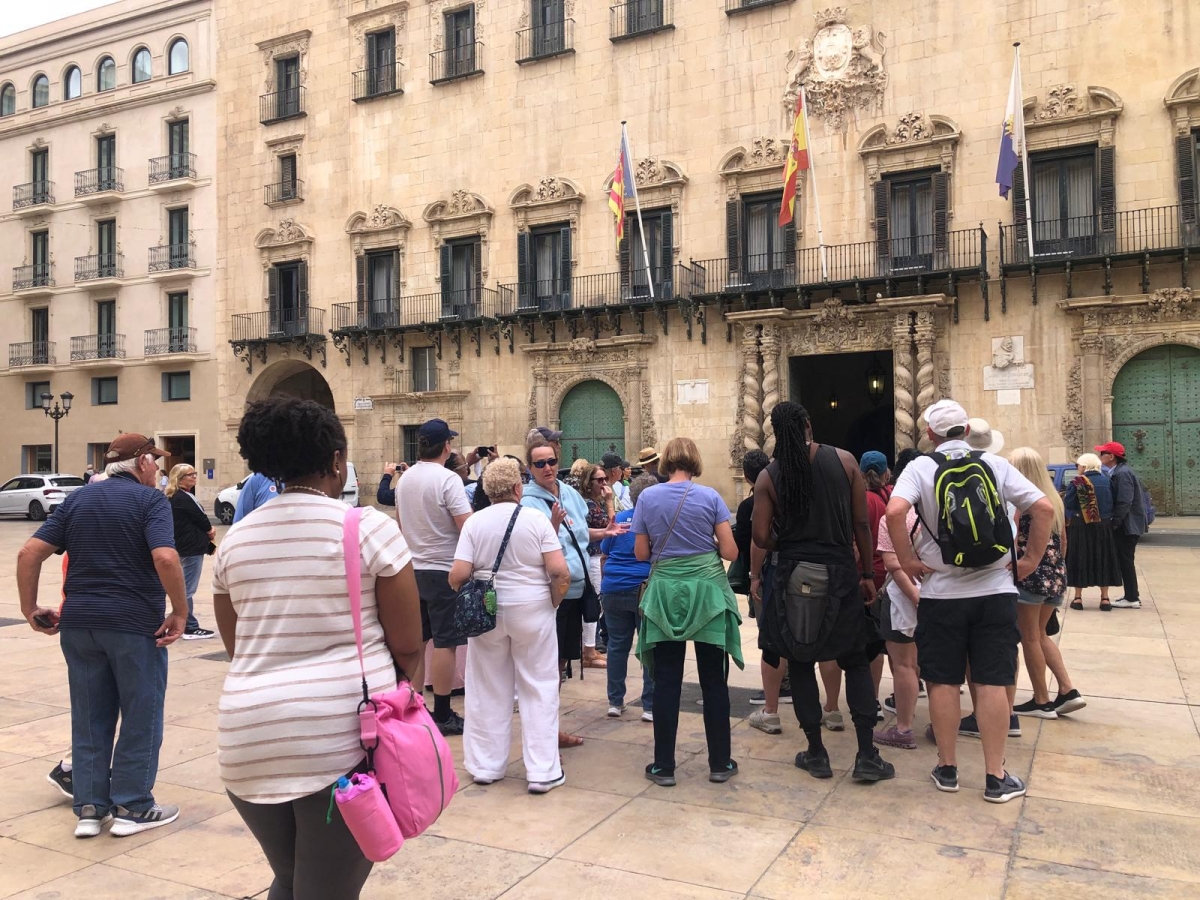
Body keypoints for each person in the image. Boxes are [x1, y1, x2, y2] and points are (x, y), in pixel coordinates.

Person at [212, 397, 422, 900]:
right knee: (327, 891)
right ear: (335, 460)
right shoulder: (366, 528)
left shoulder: (236, 540)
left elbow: (236, 644)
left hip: (248, 737)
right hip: (337, 740)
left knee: (292, 880)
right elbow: (409, 642)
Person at [17, 432, 188, 838]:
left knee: (90, 714)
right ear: (142, 462)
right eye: (157, 463)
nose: (160, 472)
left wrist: (29, 608)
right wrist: (180, 611)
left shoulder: (76, 499)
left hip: (78, 624)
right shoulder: (150, 502)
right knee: (140, 713)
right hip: (132, 623)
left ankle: (91, 808)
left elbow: (29, 553)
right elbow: (164, 556)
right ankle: (133, 805)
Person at [887, 399, 1053, 803]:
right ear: (966, 430)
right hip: (995, 590)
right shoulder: (994, 465)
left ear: (930, 434)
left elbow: (895, 511)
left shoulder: (921, 467)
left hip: (942, 594)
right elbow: (1044, 507)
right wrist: (1029, 559)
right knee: (993, 681)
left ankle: (947, 768)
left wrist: (908, 559)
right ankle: (995, 776)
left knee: (943, 681)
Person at [751, 402, 894, 785]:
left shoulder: (769, 475)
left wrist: (790, 541)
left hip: (794, 575)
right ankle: (867, 754)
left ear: (777, 434)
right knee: (855, 660)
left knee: (800, 662)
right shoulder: (845, 462)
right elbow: (862, 523)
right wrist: (867, 573)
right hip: (842, 573)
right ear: (809, 425)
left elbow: (761, 536)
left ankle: (816, 752)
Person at [449, 458, 571, 793]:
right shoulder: (535, 520)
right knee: (539, 687)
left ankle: (486, 765)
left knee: (487, 686)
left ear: (486, 490)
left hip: (489, 611)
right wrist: (552, 601)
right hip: (533, 608)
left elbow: (458, 575)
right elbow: (560, 572)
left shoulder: (474, 524)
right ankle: (543, 771)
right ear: (518, 487)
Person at [635, 438, 743, 787]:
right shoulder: (710, 497)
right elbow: (730, 551)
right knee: (714, 679)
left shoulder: (647, 497)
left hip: (666, 591)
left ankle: (664, 766)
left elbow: (640, 553)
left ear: (665, 462)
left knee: (666, 678)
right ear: (695, 461)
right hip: (708, 592)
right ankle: (720, 763)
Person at [521, 439, 624, 748]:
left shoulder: (569, 495)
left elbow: (580, 532)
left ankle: (550, 730)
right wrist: (551, 526)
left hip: (576, 590)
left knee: (562, 662)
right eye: (539, 464)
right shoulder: (527, 503)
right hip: (552, 594)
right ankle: (542, 737)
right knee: (546, 666)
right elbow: (531, 548)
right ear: (530, 469)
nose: (547, 467)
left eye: (551, 461)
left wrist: (604, 533)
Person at [395, 418, 473, 735]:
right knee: (446, 643)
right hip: (443, 569)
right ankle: (442, 712)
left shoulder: (405, 480)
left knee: (419, 641)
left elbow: (401, 524)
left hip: (413, 569)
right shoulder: (448, 480)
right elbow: (466, 526)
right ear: (446, 446)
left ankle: (415, 708)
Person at [1008, 447, 1086, 720]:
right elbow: (1063, 540)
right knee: (1041, 635)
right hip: (1055, 575)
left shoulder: (1023, 502)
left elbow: (1014, 541)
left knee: (1029, 637)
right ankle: (1067, 689)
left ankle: (1041, 700)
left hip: (1030, 576)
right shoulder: (1054, 499)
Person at [873, 448, 923, 750]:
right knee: (923, 663)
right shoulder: (940, 509)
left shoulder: (896, 514)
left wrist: (916, 597)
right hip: (939, 592)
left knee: (903, 664)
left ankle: (903, 728)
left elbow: (893, 564)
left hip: (905, 597)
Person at [601, 473, 659, 721]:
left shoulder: (620, 519)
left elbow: (604, 554)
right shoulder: (655, 521)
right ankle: (649, 706)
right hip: (643, 588)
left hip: (613, 587)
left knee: (616, 645)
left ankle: (615, 702)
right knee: (649, 647)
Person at [1064, 453, 1121, 612]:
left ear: (1084, 466)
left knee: (1080, 558)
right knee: (1103, 559)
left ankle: (1078, 598)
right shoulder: (1107, 481)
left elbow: (1068, 503)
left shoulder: (1076, 482)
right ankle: (1104, 598)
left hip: (1081, 525)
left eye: (1079, 466)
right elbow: (1114, 501)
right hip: (1103, 526)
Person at [165, 463, 216, 640]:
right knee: (187, 588)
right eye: (189, 475)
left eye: (194, 473)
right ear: (179, 479)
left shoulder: (175, 497)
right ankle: (189, 626)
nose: (194, 477)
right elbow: (201, 518)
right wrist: (210, 531)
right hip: (191, 548)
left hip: (183, 546)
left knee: (184, 586)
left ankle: (182, 621)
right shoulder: (182, 498)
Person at [1098, 441, 1148, 609]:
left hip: (1128, 526)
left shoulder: (1122, 474)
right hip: (1128, 525)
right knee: (1126, 561)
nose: (1100, 457)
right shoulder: (1119, 472)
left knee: (1126, 561)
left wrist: (1114, 523)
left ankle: (1132, 597)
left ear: (1111, 456)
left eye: (1102, 453)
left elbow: (1124, 501)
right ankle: (1131, 595)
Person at [580, 462, 615, 669]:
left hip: (599, 556)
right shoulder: (589, 506)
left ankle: (589, 648)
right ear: (588, 482)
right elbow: (612, 525)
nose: (603, 483)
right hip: (593, 557)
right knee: (594, 604)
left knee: (597, 605)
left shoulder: (595, 503)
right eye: (599, 480)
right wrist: (610, 502)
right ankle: (589, 651)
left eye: (605, 479)